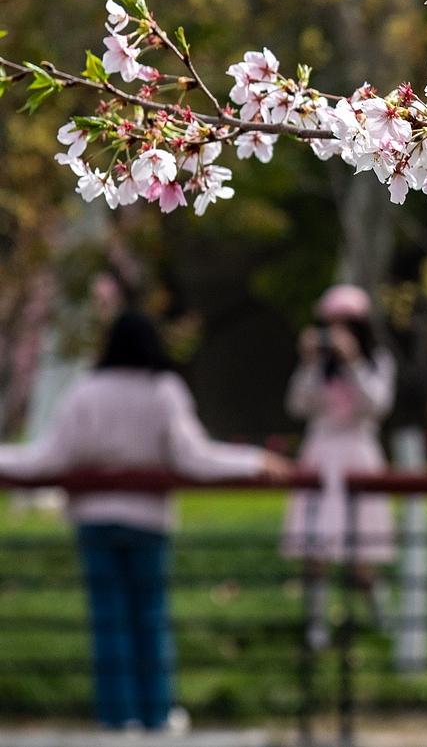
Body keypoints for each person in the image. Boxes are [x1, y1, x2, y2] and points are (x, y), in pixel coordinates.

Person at [0, 310, 290, 733]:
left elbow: (48, 458)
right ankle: (156, 712)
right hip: (147, 521)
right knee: (150, 616)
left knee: (109, 620)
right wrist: (251, 461)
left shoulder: (88, 391)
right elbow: (194, 457)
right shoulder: (163, 390)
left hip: (96, 520)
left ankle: (117, 716)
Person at [280, 284, 396, 648]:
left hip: (358, 454)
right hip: (320, 453)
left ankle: (384, 620)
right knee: (316, 549)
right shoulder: (318, 366)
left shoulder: (378, 362)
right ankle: (316, 629)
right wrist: (308, 363)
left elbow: (377, 406)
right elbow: (297, 406)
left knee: (362, 553)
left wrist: (354, 362)